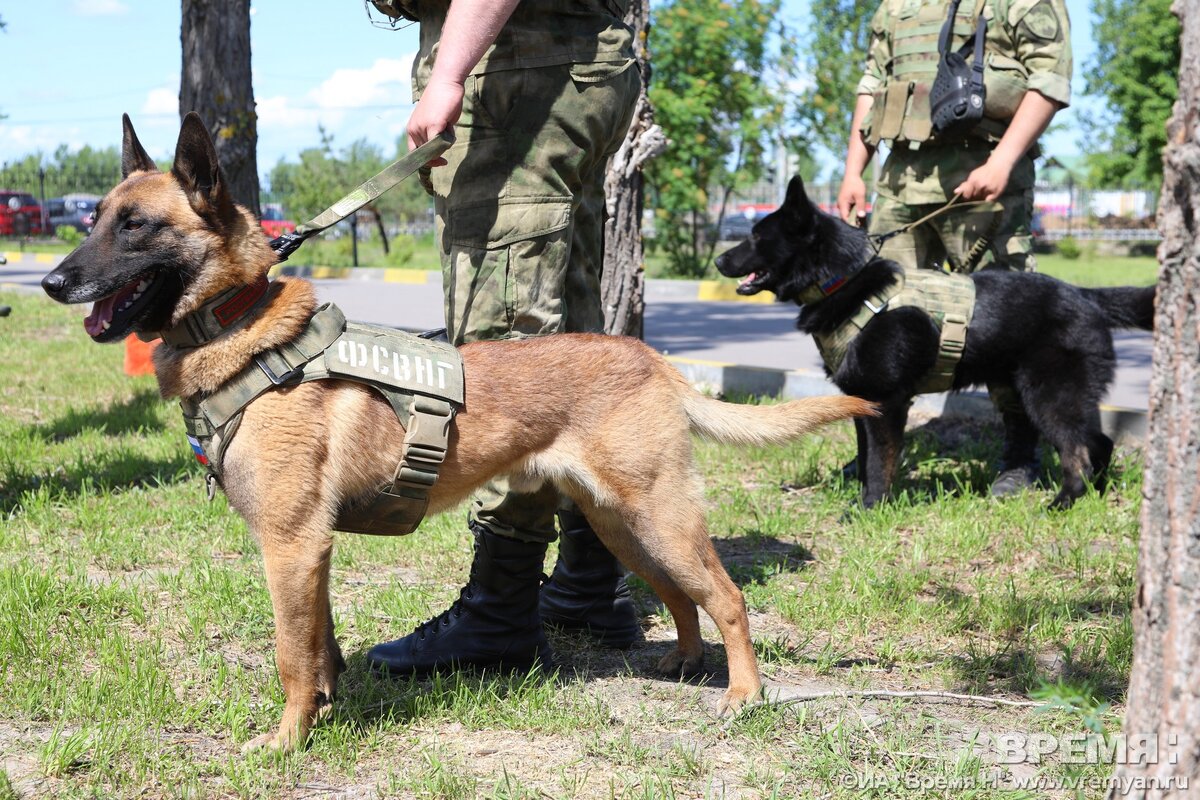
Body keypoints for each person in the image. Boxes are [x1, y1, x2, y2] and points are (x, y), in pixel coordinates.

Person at [364, 0, 643, 676]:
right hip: (551, 68)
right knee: (565, 343)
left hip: (518, 76)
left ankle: (501, 613)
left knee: (505, 360)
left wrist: (449, 72)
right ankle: (588, 582)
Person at [836, 0, 1072, 495]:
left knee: (1007, 323)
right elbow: (872, 83)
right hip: (900, 182)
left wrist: (1003, 161)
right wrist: (853, 170)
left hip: (981, 176)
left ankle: (1021, 456)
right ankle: (876, 463)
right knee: (877, 323)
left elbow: (1048, 79)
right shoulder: (896, 6)